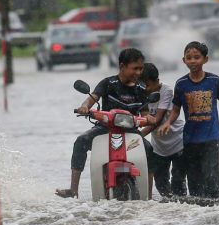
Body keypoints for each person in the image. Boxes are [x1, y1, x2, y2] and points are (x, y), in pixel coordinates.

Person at [56, 48, 156, 198]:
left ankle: (148, 195)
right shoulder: (108, 83)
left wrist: (149, 118)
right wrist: (85, 107)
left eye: (140, 69)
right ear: (122, 66)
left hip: (130, 130)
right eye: (134, 68)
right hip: (105, 127)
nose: (138, 72)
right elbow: (92, 98)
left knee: (149, 149)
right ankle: (73, 189)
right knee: (81, 141)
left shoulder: (141, 88)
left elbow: (145, 112)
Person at [157, 41, 219, 199]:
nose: (192, 61)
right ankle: (197, 214)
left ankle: (216, 213)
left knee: (211, 180)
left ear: (205, 59)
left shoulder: (214, 81)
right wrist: (168, 122)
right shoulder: (181, 84)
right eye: (189, 58)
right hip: (190, 140)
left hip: (212, 139)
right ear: (184, 61)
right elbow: (176, 109)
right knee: (194, 184)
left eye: (196, 57)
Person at [140, 63, 186, 197]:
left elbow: (157, 120)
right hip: (159, 147)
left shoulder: (167, 91)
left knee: (178, 182)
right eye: (143, 86)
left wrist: (139, 135)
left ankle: (183, 209)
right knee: (160, 184)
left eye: (148, 85)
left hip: (178, 142)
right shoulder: (142, 94)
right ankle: (168, 210)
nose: (146, 89)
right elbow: (142, 117)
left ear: (157, 81)